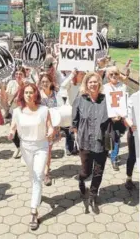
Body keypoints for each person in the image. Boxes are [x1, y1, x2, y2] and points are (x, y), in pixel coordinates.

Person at [8, 83, 54, 230]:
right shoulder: (17, 111)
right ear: (23, 94)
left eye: (31, 92)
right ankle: (37, 191)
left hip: (41, 146)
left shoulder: (44, 110)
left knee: (38, 175)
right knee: (32, 175)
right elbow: (13, 126)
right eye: (26, 92)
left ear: (36, 94)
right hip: (26, 147)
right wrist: (11, 133)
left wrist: (51, 131)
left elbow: (50, 125)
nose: (28, 95)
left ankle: (33, 210)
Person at [72, 72, 110, 214]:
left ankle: (93, 196)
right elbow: (74, 121)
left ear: (99, 83)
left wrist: (117, 118)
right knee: (86, 171)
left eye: (95, 82)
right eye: (90, 82)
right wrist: (76, 137)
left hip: (102, 141)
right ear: (86, 84)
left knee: (98, 171)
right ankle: (81, 180)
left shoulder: (106, 100)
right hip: (85, 142)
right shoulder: (80, 100)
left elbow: (113, 118)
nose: (93, 84)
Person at [103, 66, 127, 171]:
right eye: (111, 74)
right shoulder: (104, 88)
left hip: (119, 118)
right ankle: (108, 151)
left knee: (117, 138)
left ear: (119, 75)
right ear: (108, 76)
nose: (114, 76)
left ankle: (114, 158)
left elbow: (124, 102)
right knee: (107, 137)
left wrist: (121, 115)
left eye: (116, 74)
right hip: (108, 117)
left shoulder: (123, 86)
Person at [1, 67, 26, 158]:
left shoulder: (26, 84)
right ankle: (18, 147)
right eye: (16, 74)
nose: (18, 76)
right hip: (13, 111)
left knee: (24, 131)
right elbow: (6, 96)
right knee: (13, 131)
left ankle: (25, 150)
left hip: (24, 111)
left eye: (20, 74)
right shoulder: (11, 83)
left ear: (24, 75)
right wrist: (1, 86)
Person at [39, 73, 59, 186]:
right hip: (40, 128)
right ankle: (40, 169)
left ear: (51, 83)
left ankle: (46, 173)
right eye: (43, 82)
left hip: (52, 127)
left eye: (47, 81)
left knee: (48, 150)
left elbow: (60, 108)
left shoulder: (55, 94)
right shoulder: (37, 95)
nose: (45, 83)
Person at [59, 69, 85, 155]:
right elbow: (63, 86)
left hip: (80, 110)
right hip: (70, 110)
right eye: (81, 73)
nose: (83, 75)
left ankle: (78, 147)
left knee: (79, 129)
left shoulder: (84, 85)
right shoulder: (71, 84)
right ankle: (69, 147)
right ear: (76, 75)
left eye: (84, 74)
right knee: (69, 130)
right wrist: (71, 75)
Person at [125, 91, 139, 190]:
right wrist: (131, 124)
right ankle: (128, 178)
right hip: (135, 132)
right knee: (132, 156)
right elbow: (128, 114)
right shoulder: (134, 97)